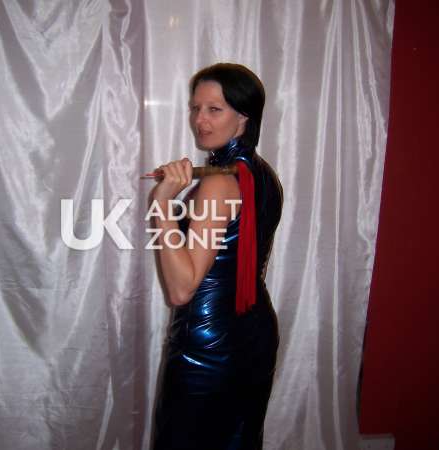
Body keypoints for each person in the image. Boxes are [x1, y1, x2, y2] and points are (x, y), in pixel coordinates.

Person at [150, 63, 283, 450]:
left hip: (208, 344)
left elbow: (181, 290)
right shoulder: (263, 174)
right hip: (253, 332)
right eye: (196, 108)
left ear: (244, 117)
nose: (200, 120)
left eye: (214, 109)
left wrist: (162, 202)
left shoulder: (219, 183)